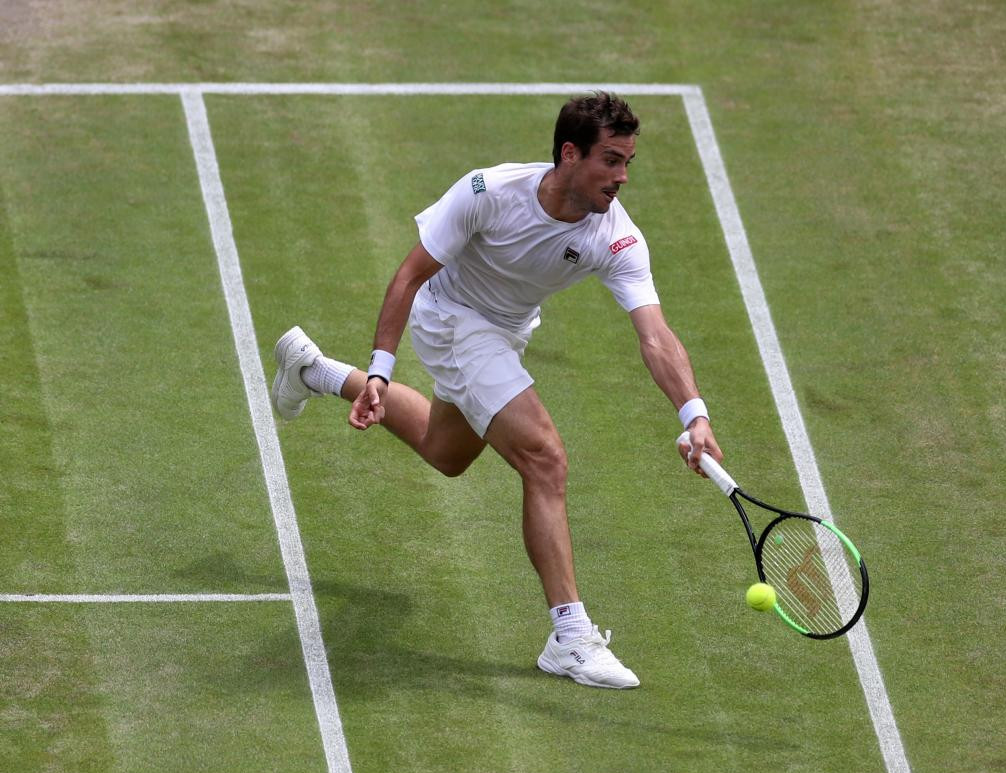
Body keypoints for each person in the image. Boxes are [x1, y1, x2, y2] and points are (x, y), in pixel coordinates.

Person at [271, 92, 722, 689]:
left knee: (447, 452)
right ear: (569, 153)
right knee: (545, 458)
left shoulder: (617, 238)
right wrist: (384, 365)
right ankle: (570, 636)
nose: (622, 177)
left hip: (507, 331)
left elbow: (655, 336)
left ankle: (316, 370)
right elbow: (409, 276)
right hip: (452, 317)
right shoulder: (489, 192)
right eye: (610, 160)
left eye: (627, 162)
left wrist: (694, 414)